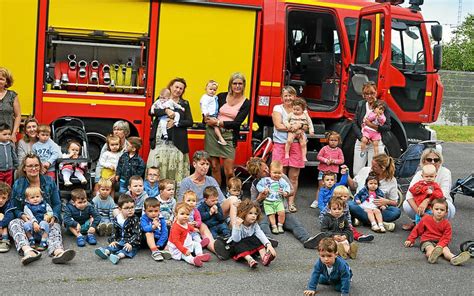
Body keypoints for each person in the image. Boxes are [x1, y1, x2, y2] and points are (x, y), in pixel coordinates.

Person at [9, 154, 75, 265]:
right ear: (24, 168)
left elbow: (57, 203)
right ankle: (29, 251)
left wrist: (53, 216)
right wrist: (22, 216)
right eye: (30, 166)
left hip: (46, 223)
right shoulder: (18, 184)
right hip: (28, 226)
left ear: (40, 166)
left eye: (36, 165)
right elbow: (15, 208)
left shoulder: (49, 181)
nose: (33, 168)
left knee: (55, 226)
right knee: (13, 223)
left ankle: (58, 252)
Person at [246, 157, 320, 249]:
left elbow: (292, 191)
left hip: (282, 209)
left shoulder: (279, 176)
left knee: (295, 223)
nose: (267, 170)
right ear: (257, 175)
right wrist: (259, 198)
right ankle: (267, 239)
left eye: (266, 167)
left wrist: (286, 193)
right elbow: (252, 206)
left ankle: (307, 239)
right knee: (263, 222)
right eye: (263, 171)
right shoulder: (256, 184)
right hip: (266, 211)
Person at [177, 150, 240, 253]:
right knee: (203, 227)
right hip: (198, 215)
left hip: (214, 211)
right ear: (194, 164)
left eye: (207, 164)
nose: (205, 167)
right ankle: (217, 249)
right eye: (202, 164)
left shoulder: (211, 180)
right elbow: (180, 204)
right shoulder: (186, 182)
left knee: (233, 199)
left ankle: (235, 231)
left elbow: (222, 200)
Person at [204, 72, 250, 186]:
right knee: (214, 167)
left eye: (240, 83)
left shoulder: (246, 102)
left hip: (229, 136)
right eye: (235, 83)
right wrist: (206, 118)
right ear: (230, 84)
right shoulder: (220, 96)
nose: (237, 86)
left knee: (229, 171)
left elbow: (237, 123)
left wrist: (218, 122)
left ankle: (232, 194)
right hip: (213, 133)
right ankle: (216, 194)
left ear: (244, 85)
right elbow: (208, 108)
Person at [148, 78, 193, 185]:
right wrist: (166, 111)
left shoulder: (184, 103)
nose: (178, 90)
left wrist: (176, 123)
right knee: (159, 165)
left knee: (174, 170)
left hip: (177, 144)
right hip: (160, 142)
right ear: (171, 87)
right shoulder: (161, 99)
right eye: (176, 87)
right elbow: (151, 111)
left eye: (181, 89)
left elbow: (189, 121)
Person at [271, 86, 307, 212]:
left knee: (294, 176)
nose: (288, 98)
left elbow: (306, 125)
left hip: (297, 144)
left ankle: (291, 202)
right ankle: (279, 202)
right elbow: (278, 125)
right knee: (279, 174)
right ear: (282, 97)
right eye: (285, 95)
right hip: (281, 144)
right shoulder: (277, 108)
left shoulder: (300, 108)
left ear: (295, 97)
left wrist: (301, 125)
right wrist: (295, 127)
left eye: (290, 95)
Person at [404, 199, 470, 266]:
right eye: (436, 209)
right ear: (432, 210)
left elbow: (446, 237)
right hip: (427, 240)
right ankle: (431, 257)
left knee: (446, 251)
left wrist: (440, 245)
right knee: (430, 249)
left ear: (446, 212)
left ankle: (454, 258)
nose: (439, 212)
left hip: (440, 241)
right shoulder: (426, 219)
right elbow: (417, 230)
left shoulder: (446, 224)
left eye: (442, 210)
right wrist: (410, 240)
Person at [403, 149, 453, 230]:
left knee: (448, 206)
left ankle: (438, 225)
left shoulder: (445, 172)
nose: (433, 162)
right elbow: (409, 195)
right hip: (421, 206)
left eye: (436, 160)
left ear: (440, 161)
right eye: (429, 159)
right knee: (406, 204)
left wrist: (426, 201)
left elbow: (443, 195)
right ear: (424, 161)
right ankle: (418, 222)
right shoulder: (420, 174)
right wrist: (420, 213)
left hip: (438, 202)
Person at [348, 153, 400, 231]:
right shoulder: (365, 170)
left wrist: (386, 201)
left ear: (382, 168)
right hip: (362, 207)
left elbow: (395, 203)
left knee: (396, 212)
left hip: (377, 209)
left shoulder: (391, 180)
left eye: (374, 167)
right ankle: (380, 223)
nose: (371, 168)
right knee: (350, 204)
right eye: (371, 165)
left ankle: (364, 220)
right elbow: (353, 186)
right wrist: (346, 174)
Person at [352, 81, 392, 175]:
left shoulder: (382, 105)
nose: (369, 96)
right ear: (363, 94)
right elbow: (354, 123)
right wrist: (361, 137)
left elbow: (388, 126)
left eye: (372, 93)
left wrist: (372, 126)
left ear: (376, 92)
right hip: (362, 140)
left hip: (376, 142)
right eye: (366, 93)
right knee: (357, 171)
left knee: (374, 171)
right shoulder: (361, 104)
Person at [227, 199, 276, 268]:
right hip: (239, 244)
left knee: (257, 238)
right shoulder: (238, 223)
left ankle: (264, 256)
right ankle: (250, 260)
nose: (253, 216)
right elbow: (236, 239)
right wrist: (237, 227)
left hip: (248, 243)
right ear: (243, 213)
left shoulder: (254, 224)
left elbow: (260, 234)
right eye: (250, 213)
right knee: (237, 245)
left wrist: (268, 244)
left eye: (255, 214)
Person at [94, 194, 141, 264]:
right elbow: (114, 231)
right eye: (127, 208)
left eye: (132, 207)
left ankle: (118, 256)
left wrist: (130, 243)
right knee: (113, 246)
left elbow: (137, 234)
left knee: (126, 250)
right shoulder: (117, 219)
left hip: (131, 243)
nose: (130, 210)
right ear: (120, 209)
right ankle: (106, 252)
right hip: (120, 240)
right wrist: (113, 240)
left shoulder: (135, 219)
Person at [167, 202, 211, 267]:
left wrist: (193, 229)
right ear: (176, 215)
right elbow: (176, 242)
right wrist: (184, 250)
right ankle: (193, 261)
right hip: (179, 248)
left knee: (197, 244)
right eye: (182, 214)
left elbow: (188, 226)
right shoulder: (175, 228)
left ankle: (200, 255)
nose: (185, 216)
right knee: (187, 255)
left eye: (187, 214)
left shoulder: (184, 222)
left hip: (187, 243)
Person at [256, 160, 290, 234]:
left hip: (278, 200)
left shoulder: (282, 180)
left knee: (282, 212)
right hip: (268, 201)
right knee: (271, 215)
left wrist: (285, 192)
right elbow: (258, 185)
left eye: (279, 173)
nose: (277, 175)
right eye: (275, 173)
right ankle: (274, 226)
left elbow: (287, 186)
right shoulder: (265, 180)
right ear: (270, 172)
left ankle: (280, 225)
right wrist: (263, 190)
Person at [312, 131, 344, 209]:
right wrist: (326, 160)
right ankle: (317, 200)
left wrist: (334, 161)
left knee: (332, 187)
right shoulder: (324, 148)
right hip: (323, 171)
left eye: (335, 140)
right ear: (328, 140)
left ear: (338, 141)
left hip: (333, 172)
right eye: (331, 140)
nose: (333, 142)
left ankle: (331, 201)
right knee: (321, 187)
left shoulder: (339, 150)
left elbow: (342, 160)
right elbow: (318, 156)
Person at [94, 120, 130, 185]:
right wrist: (97, 180)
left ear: (125, 132)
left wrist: (116, 175)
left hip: (122, 177)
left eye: (119, 129)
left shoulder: (129, 146)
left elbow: (128, 166)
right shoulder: (107, 145)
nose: (116, 132)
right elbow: (100, 163)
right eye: (114, 129)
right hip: (106, 175)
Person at [140, 197, 171, 261]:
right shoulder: (144, 218)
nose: (153, 213)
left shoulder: (161, 219)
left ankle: (165, 250)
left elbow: (164, 232)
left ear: (159, 210)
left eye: (156, 211)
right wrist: (153, 227)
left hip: (159, 239)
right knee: (149, 233)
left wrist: (160, 243)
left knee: (169, 229)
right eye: (150, 211)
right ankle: (155, 251)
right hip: (147, 239)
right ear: (145, 211)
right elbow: (144, 228)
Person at [22, 187, 53, 251]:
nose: (35, 199)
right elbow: (30, 215)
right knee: (25, 224)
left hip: (42, 229)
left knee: (44, 223)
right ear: (27, 199)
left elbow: (50, 212)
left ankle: (43, 241)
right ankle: (31, 239)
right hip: (33, 228)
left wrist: (48, 216)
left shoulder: (45, 204)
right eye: (32, 197)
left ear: (41, 197)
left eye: (37, 196)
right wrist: (34, 222)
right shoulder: (27, 207)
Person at [200, 80, 227, 145]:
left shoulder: (214, 97)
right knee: (216, 126)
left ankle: (221, 137)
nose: (212, 91)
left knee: (218, 124)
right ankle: (221, 139)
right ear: (206, 89)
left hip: (215, 115)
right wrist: (205, 114)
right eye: (210, 89)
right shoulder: (205, 97)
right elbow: (203, 105)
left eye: (214, 90)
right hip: (210, 115)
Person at [0, 67, 21, 143]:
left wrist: (13, 134)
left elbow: (18, 116)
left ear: (6, 81)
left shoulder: (12, 95)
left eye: (1, 79)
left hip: (8, 136)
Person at [0, 182, 14, 253]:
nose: (0, 200)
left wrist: (1, 225)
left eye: (4, 198)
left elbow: (9, 216)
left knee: (3, 216)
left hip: (4, 227)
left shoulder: (8, 204)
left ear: (8, 198)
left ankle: (5, 240)